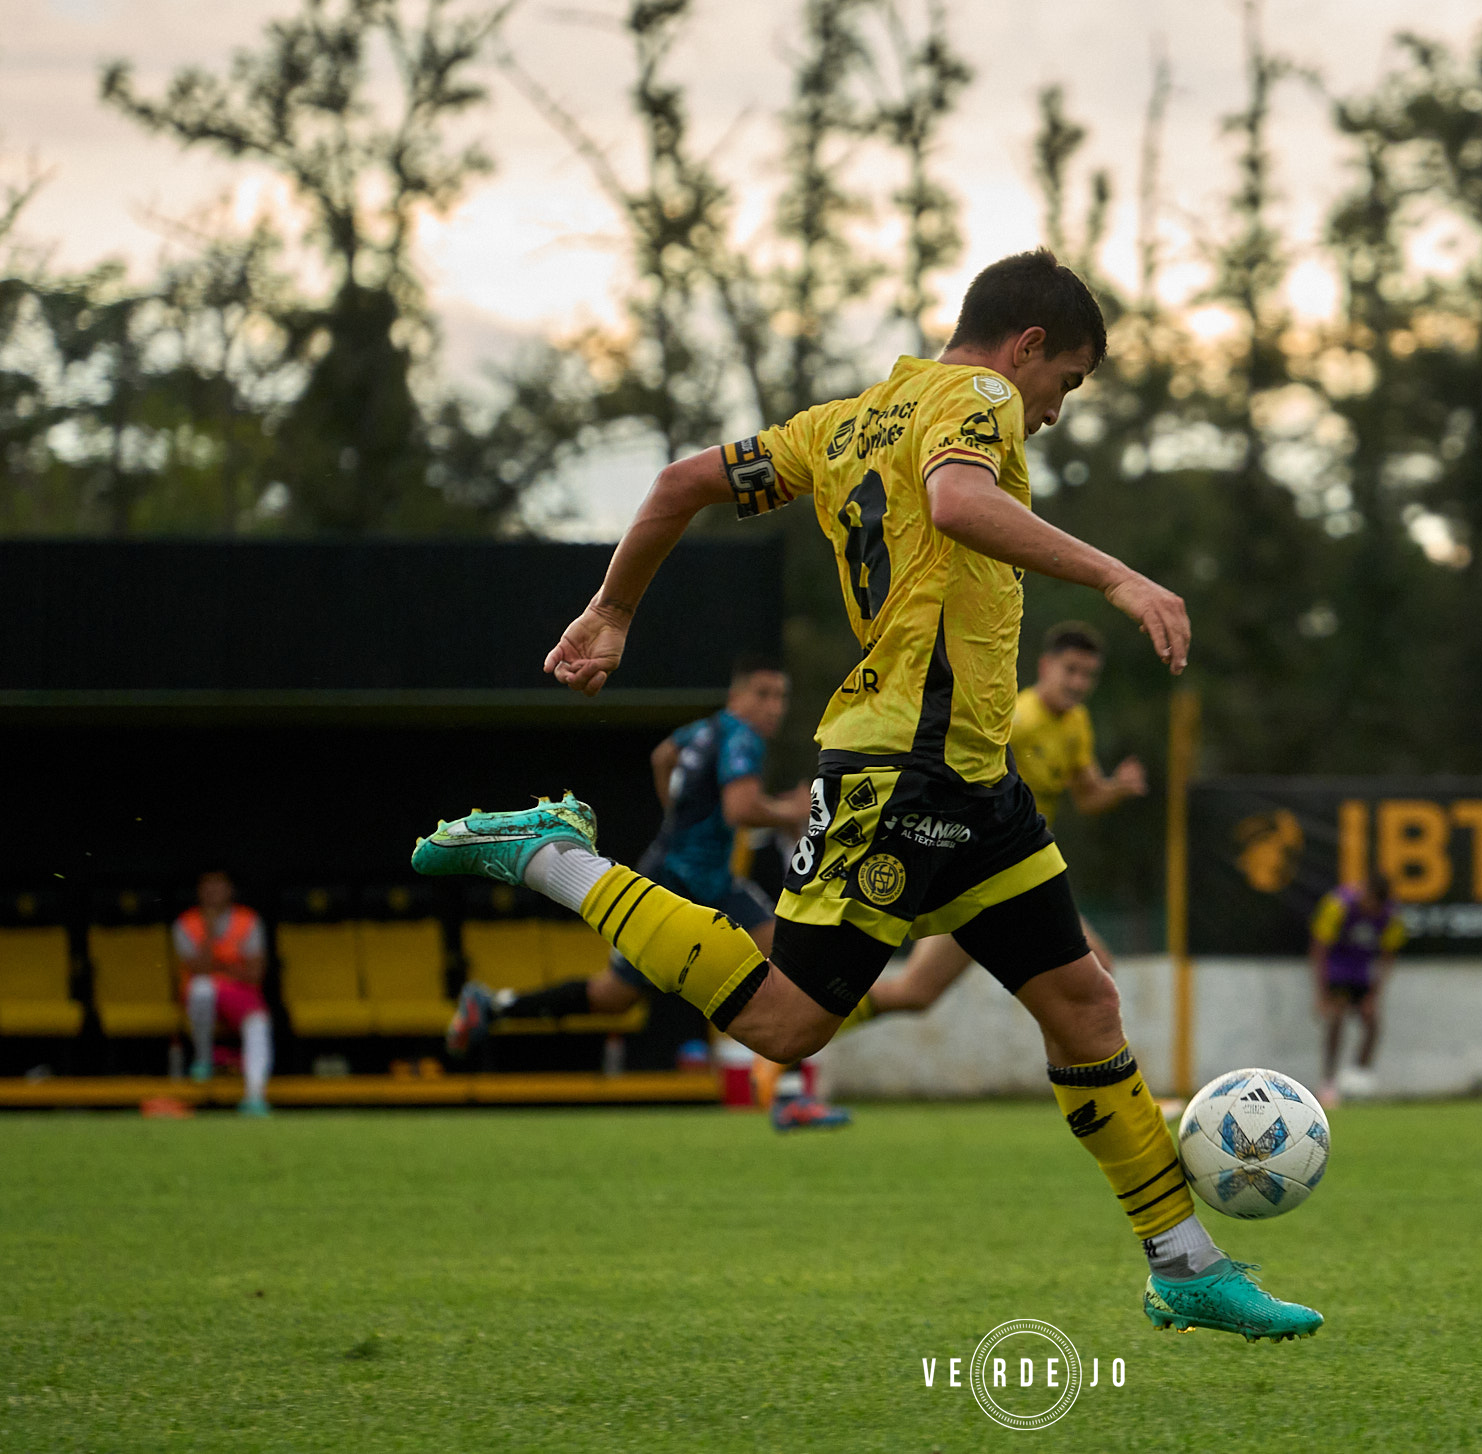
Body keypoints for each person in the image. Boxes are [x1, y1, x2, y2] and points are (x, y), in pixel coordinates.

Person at [411, 249, 1320, 1341]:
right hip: (903, 764)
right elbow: (957, 498)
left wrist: (611, 608)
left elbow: (681, 481)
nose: (1053, 413)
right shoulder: (977, 395)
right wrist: (1119, 575)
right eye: (1065, 384)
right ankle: (551, 853)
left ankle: (1183, 1263)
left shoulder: (837, 423)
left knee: (1083, 1003)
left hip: (974, 775)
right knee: (790, 1022)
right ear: (1025, 346)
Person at [445, 659, 845, 1127]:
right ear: (738, 695)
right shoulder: (742, 737)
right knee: (779, 963)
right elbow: (741, 808)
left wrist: (676, 816)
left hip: (688, 873)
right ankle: (789, 1097)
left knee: (618, 995)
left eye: (781, 696)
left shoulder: (705, 730)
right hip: (690, 880)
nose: (774, 707)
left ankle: (494, 1006)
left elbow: (662, 756)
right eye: (764, 694)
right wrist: (791, 812)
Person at [848, 619, 1147, 1024]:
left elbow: (1088, 795)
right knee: (1092, 981)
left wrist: (1119, 787)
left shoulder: (1076, 723)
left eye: (1088, 674)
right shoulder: (1016, 721)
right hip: (985, 870)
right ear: (1045, 667)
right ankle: (799, 1029)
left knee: (916, 993)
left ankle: (799, 1035)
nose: (1078, 683)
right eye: (1070, 670)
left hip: (1020, 871)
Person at [173, 870, 271, 1116]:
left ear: (230, 890)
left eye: (219, 885)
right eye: (208, 886)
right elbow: (199, 969)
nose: (213, 891)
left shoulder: (248, 920)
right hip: (204, 995)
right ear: (199, 891)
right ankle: (204, 1058)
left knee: (258, 1024)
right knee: (202, 988)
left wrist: (221, 966)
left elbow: (255, 974)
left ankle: (255, 1096)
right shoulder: (186, 923)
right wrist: (209, 931)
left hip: (240, 994)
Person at [1309, 871, 1404, 1105]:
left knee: (1372, 1022)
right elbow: (1319, 948)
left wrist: (1374, 995)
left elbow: (1387, 957)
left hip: (1362, 972)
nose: (1372, 908)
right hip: (1337, 968)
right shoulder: (1339, 904)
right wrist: (1321, 994)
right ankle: (1328, 1081)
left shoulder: (1391, 915)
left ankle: (1359, 1078)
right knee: (1337, 1017)